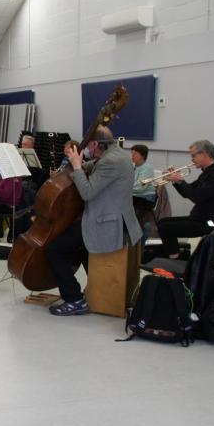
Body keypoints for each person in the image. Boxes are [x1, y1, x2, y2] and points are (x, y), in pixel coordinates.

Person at [46, 126, 142, 316]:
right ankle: (99, 291)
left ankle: (74, 300)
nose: (87, 148)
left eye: (89, 144)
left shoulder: (111, 161)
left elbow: (88, 192)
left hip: (107, 223)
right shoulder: (118, 154)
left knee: (54, 250)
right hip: (116, 218)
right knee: (79, 248)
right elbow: (95, 168)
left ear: (96, 143)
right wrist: (78, 167)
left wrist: (75, 167)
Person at [157, 140, 214, 259]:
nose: (192, 159)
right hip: (199, 218)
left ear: (204, 154)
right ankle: (176, 255)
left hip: (208, 223)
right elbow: (188, 192)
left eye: (193, 155)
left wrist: (180, 181)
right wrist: (175, 181)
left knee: (165, 228)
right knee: (162, 222)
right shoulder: (207, 174)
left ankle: (175, 260)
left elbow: (197, 197)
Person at [131, 145, 156, 218]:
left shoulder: (147, 168)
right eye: (131, 153)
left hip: (145, 198)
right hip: (137, 196)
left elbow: (140, 187)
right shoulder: (134, 167)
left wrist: (125, 188)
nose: (132, 156)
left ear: (143, 155)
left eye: (135, 154)